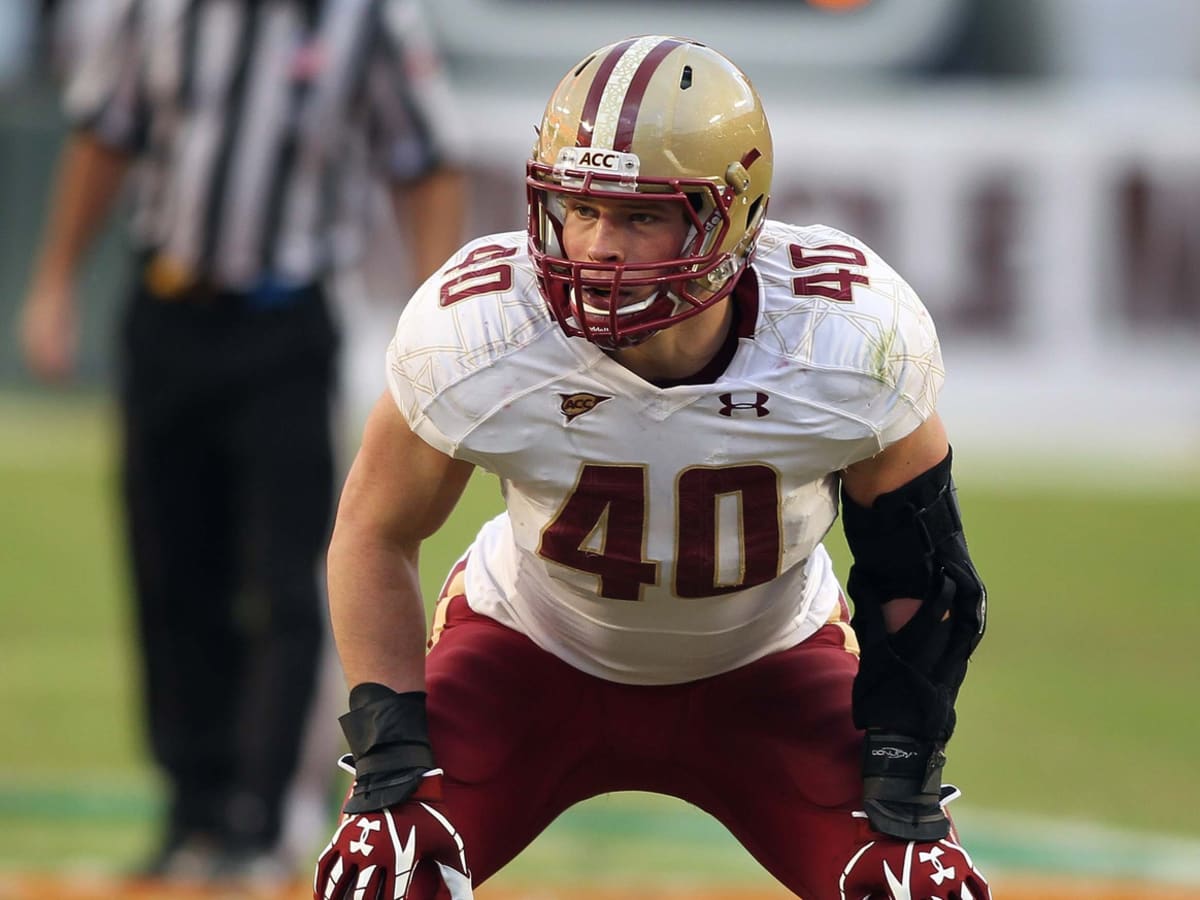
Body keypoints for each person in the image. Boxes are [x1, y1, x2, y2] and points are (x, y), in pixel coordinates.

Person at [313, 35, 990, 900]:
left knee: (916, 888)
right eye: (580, 208)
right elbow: (373, 533)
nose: (598, 247)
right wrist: (389, 749)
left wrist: (902, 759)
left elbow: (924, 572)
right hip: (530, 652)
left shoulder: (844, 340)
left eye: (641, 216)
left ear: (733, 215)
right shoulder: (484, 331)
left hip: (770, 666)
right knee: (384, 871)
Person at [17, 0, 465, 885]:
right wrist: (56, 281)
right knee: (168, 568)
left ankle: (257, 822)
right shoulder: (155, 10)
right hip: (166, 311)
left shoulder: (368, 19)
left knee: (286, 576)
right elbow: (103, 135)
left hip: (286, 325)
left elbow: (425, 161)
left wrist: (434, 323)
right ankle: (189, 809)